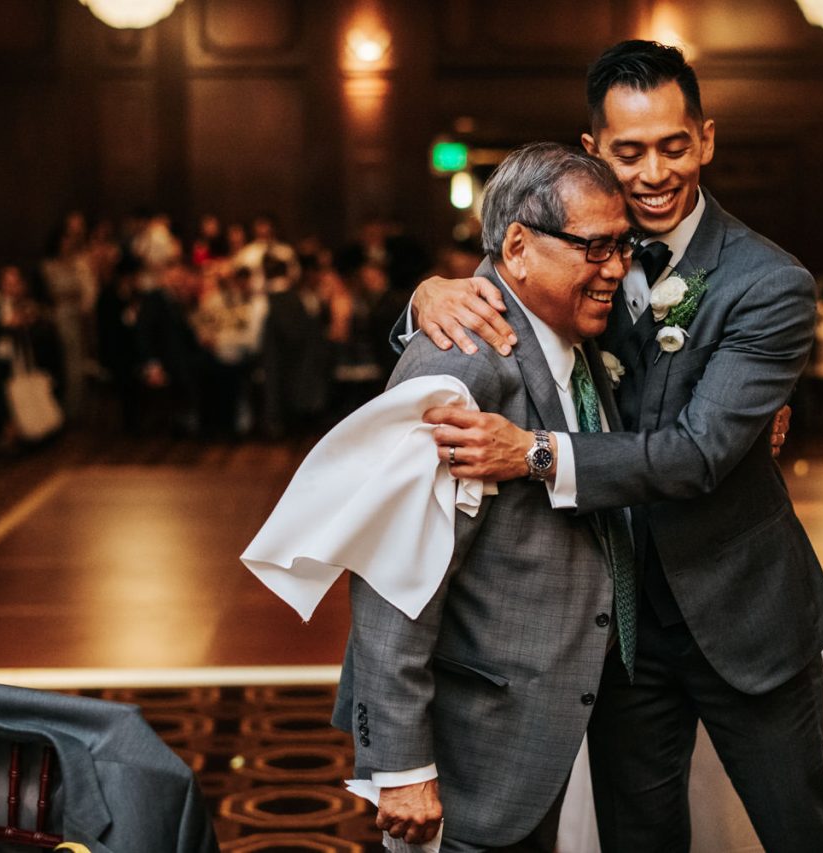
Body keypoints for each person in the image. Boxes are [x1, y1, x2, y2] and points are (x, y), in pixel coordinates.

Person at [406, 40, 823, 852]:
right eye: (629, 152)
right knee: (638, 838)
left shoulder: (767, 282)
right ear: (593, 150)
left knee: (801, 832)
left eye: (673, 147)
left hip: (742, 611)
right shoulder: (573, 248)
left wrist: (536, 453)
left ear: (705, 139)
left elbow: (700, 451)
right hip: (615, 629)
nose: (653, 174)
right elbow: (500, 295)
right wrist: (424, 298)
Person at [334, 142, 633, 851]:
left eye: (623, 247)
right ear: (519, 248)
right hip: (471, 748)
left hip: (536, 721)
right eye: (596, 248)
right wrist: (401, 764)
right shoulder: (462, 364)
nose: (617, 269)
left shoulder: (570, 334)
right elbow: (392, 570)